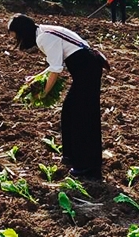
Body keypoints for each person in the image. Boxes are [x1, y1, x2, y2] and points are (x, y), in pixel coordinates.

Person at [7, 14, 106, 180]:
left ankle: (88, 166)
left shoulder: (44, 37)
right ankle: (72, 155)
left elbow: (56, 70)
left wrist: (44, 92)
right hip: (86, 67)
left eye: (16, 37)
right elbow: (55, 64)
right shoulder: (44, 31)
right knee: (69, 111)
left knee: (83, 115)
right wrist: (37, 77)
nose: (17, 41)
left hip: (87, 69)